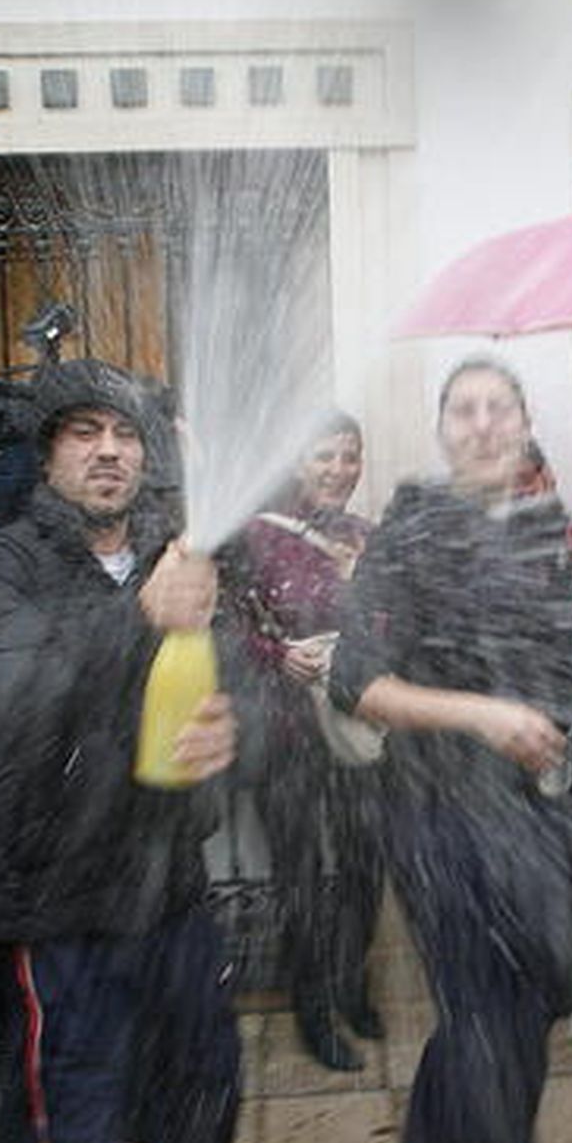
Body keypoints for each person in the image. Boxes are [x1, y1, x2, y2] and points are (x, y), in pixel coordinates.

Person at [0, 358, 263, 1143]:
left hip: (164, 868)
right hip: (49, 889)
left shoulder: (181, 555)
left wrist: (234, 728)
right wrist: (138, 615)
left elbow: (236, 675)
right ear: (48, 458)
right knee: (66, 1111)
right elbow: (19, 689)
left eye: (123, 433)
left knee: (205, 1059)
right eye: (85, 433)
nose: (110, 450)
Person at [330, 358, 572, 1143]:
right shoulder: (410, 530)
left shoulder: (547, 528)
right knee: (477, 1016)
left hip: (531, 806)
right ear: (442, 432)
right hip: (433, 811)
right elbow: (356, 681)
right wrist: (483, 715)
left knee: (533, 1005)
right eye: (463, 411)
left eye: (498, 408)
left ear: (524, 425)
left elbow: (563, 659)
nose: (481, 425)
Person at [229, 413, 384, 1070]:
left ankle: (351, 983)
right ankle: (312, 1009)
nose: (339, 469)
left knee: (365, 863)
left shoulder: (367, 536)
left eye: (350, 456)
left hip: (352, 723)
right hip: (284, 727)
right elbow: (224, 625)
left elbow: (390, 624)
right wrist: (274, 654)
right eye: (325, 456)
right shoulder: (257, 536)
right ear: (298, 464)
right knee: (297, 873)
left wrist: (360, 593)